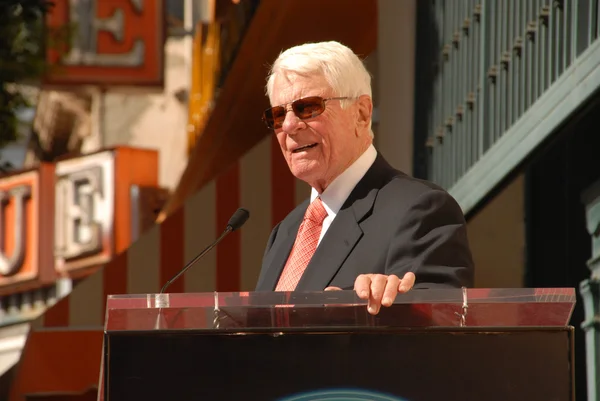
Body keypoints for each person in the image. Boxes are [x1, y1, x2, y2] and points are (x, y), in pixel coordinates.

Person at [255, 41, 474, 315]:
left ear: (361, 113)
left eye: (307, 108)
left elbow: (439, 325)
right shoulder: (286, 231)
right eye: (277, 115)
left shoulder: (421, 210)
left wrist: (362, 317)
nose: (288, 126)